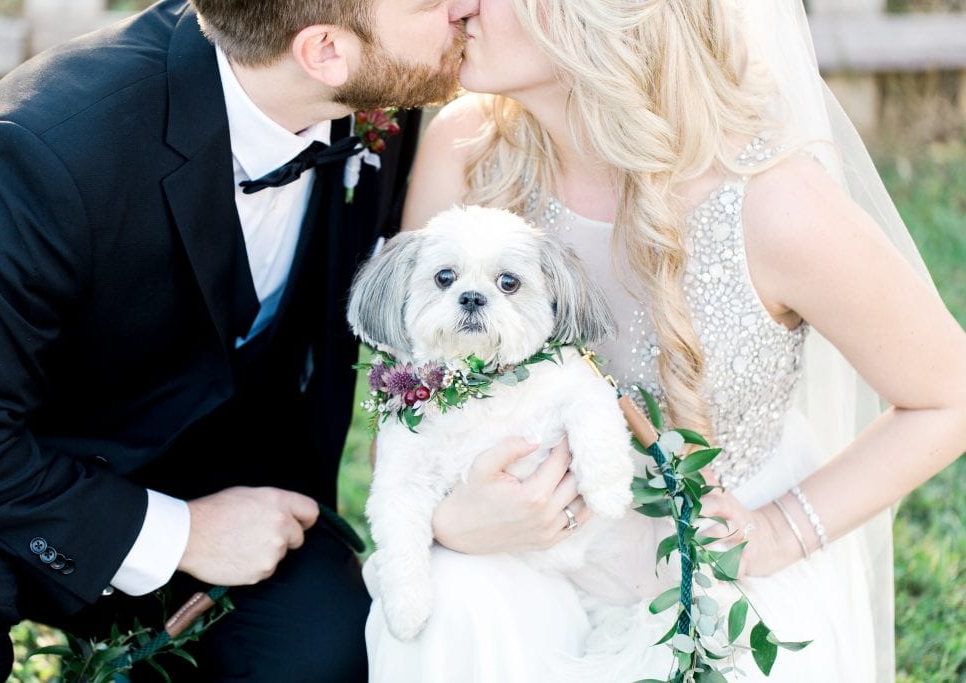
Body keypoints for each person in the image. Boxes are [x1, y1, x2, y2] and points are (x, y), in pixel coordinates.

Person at [364, 0, 966, 681]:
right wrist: (452, 519)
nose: (457, 5)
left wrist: (779, 530)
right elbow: (404, 403)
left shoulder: (772, 201)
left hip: (708, 569)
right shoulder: (468, 148)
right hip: (520, 545)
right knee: (449, 601)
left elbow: (949, 395)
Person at [0, 0, 480, 680]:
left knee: (327, 644)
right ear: (323, 51)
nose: (465, 7)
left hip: (242, 491)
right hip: (23, 492)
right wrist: (181, 534)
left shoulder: (376, 86)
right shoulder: (41, 147)